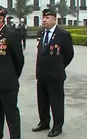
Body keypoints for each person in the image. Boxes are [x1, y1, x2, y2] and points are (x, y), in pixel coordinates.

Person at [0, 5, 24, 139]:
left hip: (7, 83)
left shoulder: (11, 34)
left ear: (1, 18)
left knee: (11, 114)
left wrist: (11, 76)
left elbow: (19, 60)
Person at [32, 8, 74, 137]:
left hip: (55, 75)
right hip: (42, 74)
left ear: (55, 19)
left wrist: (59, 66)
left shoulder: (63, 34)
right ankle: (44, 122)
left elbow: (69, 55)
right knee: (42, 100)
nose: (44, 20)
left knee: (56, 101)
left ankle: (57, 126)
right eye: (43, 17)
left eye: (48, 17)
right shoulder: (41, 33)